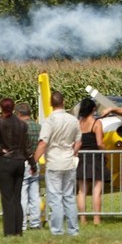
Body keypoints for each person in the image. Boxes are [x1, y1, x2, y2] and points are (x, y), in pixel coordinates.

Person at [33, 90, 82, 236]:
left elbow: (43, 144)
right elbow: (78, 142)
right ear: (63, 102)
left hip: (54, 163)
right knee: (69, 197)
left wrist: (33, 161)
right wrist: (72, 153)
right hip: (68, 162)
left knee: (55, 198)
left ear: (50, 104)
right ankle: (73, 230)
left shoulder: (49, 121)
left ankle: (57, 230)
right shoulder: (73, 120)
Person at [0, 97, 36, 237]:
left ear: (1, 108)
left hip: (5, 162)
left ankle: (9, 232)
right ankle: (18, 231)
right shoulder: (21, 124)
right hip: (19, 162)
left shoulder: (0, 123)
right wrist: (32, 164)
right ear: (13, 108)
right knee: (17, 198)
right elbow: (27, 147)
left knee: (7, 198)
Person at [76, 97, 107, 226]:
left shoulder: (78, 123)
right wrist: (106, 151)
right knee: (96, 190)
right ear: (93, 109)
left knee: (82, 190)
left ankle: (83, 219)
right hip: (95, 158)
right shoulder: (96, 123)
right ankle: (96, 219)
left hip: (82, 158)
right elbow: (99, 143)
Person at [16, 102, 41, 231]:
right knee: (35, 195)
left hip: (22, 161)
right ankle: (35, 223)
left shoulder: (19, 127)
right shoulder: (38, 127)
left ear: (19, 114)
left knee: (22, 195)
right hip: (35, 162)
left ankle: (23, 223)